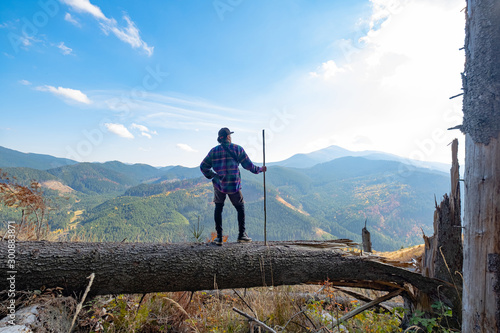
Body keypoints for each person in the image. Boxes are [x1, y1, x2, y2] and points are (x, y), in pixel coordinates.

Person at [200, 127, 267, 246]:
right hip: (234, 185)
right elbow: (249, 166)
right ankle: (241, 235)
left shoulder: (213, 151)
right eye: (230, 135)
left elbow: (203, 166)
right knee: (240, 207)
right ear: (228, 137)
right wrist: (260, 170)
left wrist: (213, 176)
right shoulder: (237, 149)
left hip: (219, 184)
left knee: (218, 207)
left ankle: (219, 237)